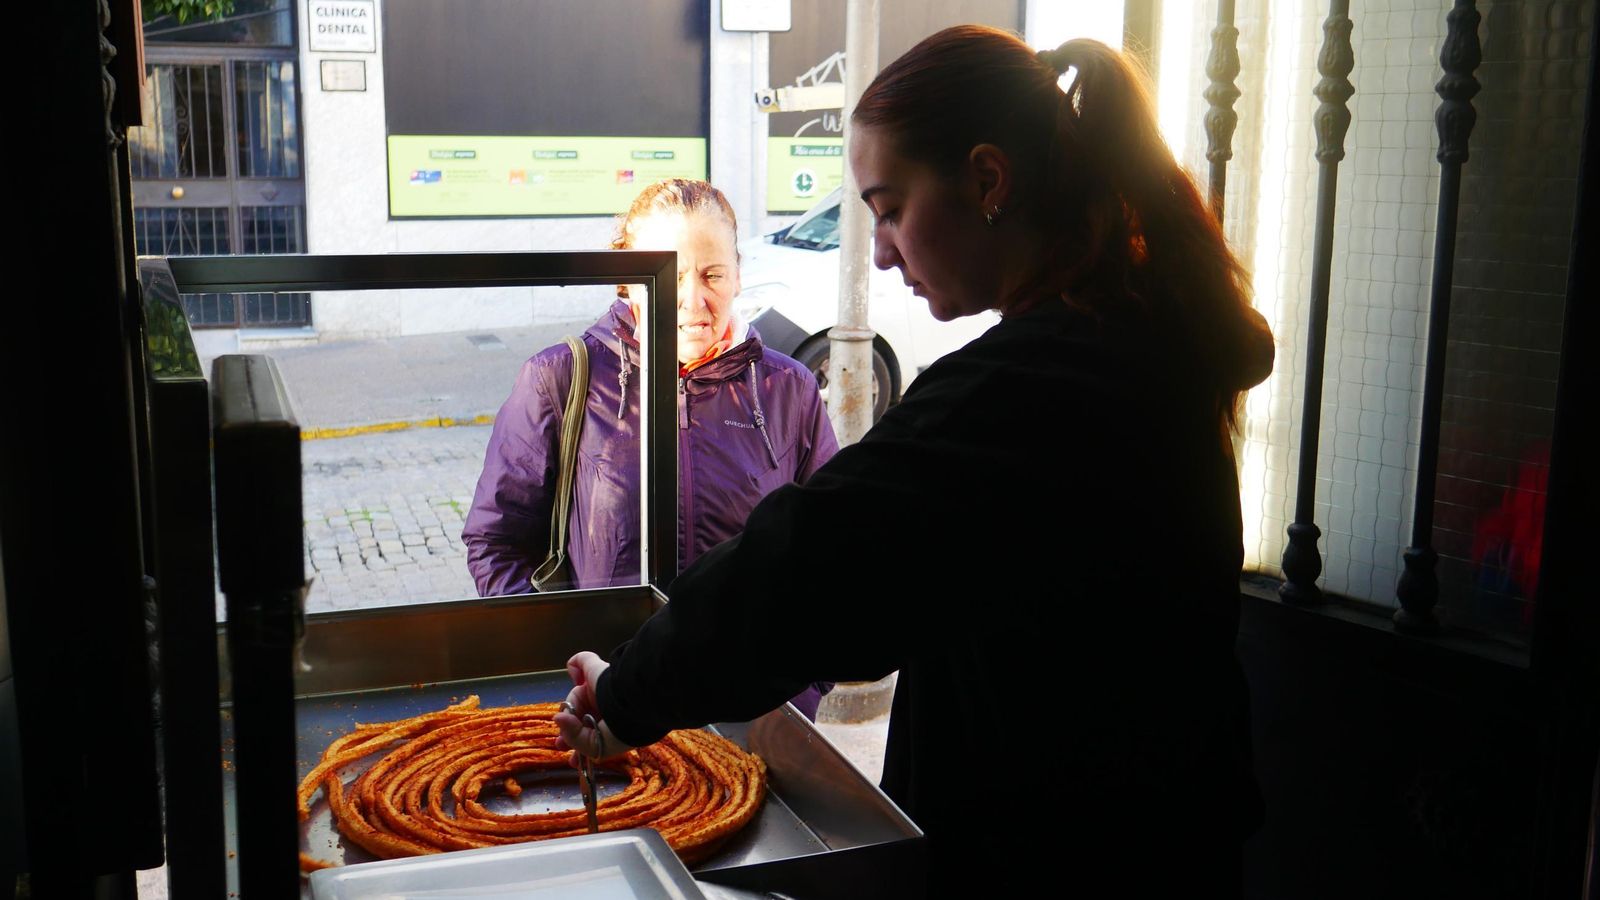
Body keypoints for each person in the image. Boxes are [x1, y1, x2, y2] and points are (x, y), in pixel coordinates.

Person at [555, 26, 1275, 896]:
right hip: (1157, 836)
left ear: (987, 180)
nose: (885, 249)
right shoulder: (1133, 335)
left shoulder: (1035, 385)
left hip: (1065, 858)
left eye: (891, 208)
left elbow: (815, 563)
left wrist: (628, 693)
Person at [461, 178, 840, 718]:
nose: (692, 299)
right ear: (624, 282)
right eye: (671, 275)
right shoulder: (561, 378)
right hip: (609, 706)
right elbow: (496, 541)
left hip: (751, 712)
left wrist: (800, 689)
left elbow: (826, 552)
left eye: (712, 274)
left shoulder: (790, 390)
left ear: (738, 273)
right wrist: (563, 671)